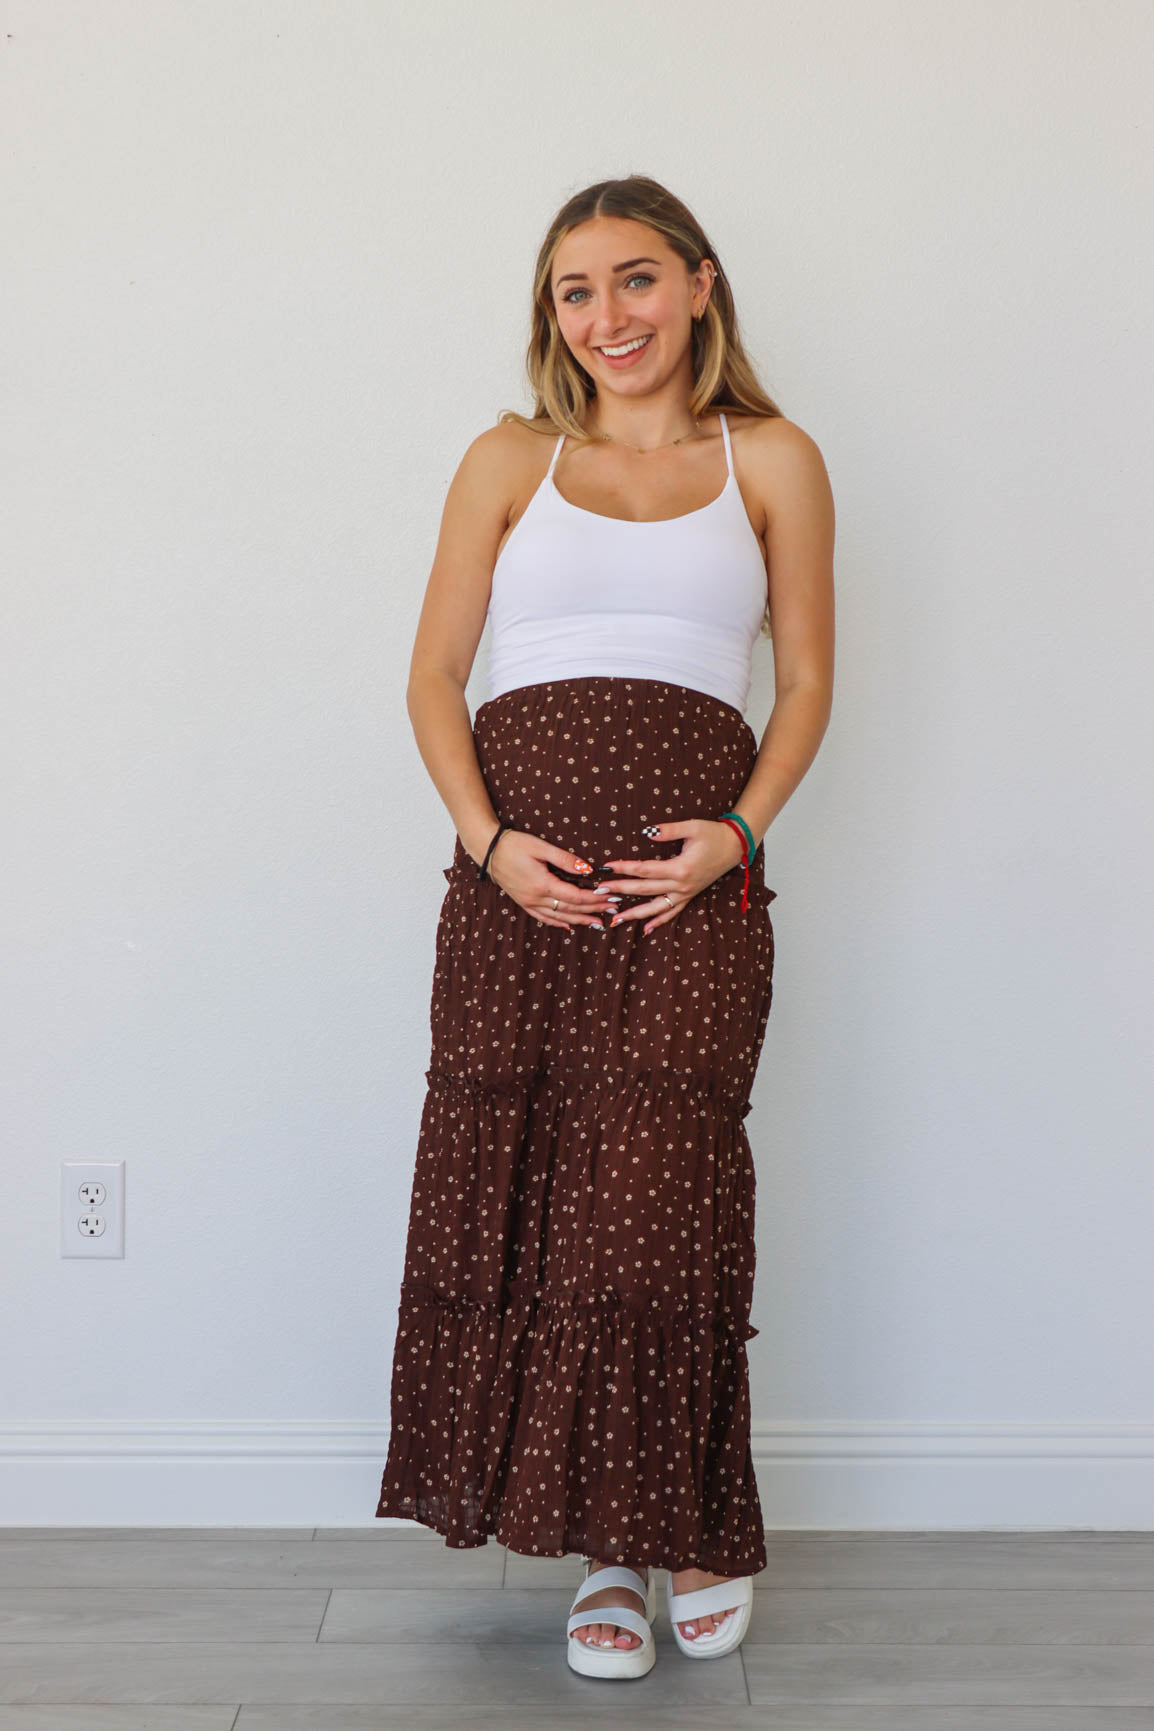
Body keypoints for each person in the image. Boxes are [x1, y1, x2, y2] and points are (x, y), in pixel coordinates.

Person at [376, 174, 835, 1680]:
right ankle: (608, 1558)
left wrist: (736, 837)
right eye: (574, 292)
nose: (605, 318)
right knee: (544, 1202)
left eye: (633, 281)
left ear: (699, 285)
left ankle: (693, 1525)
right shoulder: (510, 456)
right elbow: (435, 676)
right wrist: (490, 842)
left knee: (664, 1203)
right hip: (518, 889)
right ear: (549, 315)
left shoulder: (769, 457)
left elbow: (811, 682)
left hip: (689, 887)